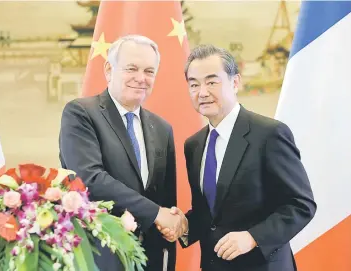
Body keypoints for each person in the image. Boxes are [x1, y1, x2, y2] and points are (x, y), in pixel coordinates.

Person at [159, 44, 317, 271]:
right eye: (194, 84)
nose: (202, 92)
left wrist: (253, 237)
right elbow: (210, 215)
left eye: (212, 82)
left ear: (235, 82)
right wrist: (182, 226)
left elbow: (301, 205)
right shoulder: (193, 145)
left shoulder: (269, 134)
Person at [59, 35, 183, 271]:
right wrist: (157, 213)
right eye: (131, 68)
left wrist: (173, 223)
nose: (141, 78)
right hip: (101, 256)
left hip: (152, 260)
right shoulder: (81, 114)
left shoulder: (162, 128)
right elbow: (90, 179)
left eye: (149, 71)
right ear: (109, 69)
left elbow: (166, 201)